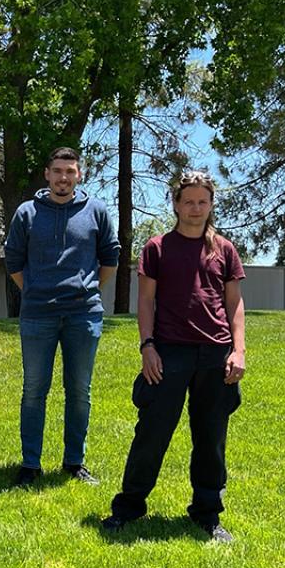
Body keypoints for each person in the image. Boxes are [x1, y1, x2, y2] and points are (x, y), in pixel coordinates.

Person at [102, 171, 246, 542]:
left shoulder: (225, 250)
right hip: (168, 353)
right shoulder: (157, 248)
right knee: (152, 433)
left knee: (211, 438)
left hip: (215, 354)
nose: (195, 208)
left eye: (202, 202)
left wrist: (238, 350)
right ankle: (129, 507)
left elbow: (234, 303)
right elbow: (145, 300)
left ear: (211, 205)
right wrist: (147, 346)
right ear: (176, 205)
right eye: (188, 202)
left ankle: (207, 513)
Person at [4, 146, 120, 487]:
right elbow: (13, 261)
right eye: (57, 171)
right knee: (34, 390)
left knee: (79, 391)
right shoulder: (27, 213)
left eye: (70, 171)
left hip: (83, 315)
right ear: (47, 174)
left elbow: (110, 258)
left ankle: (74, 462)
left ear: (79, 175)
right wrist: (35, 290)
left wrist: (88, 290)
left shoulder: (96, 211)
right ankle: (30, 464)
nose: (63, 177)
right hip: (37, 314)